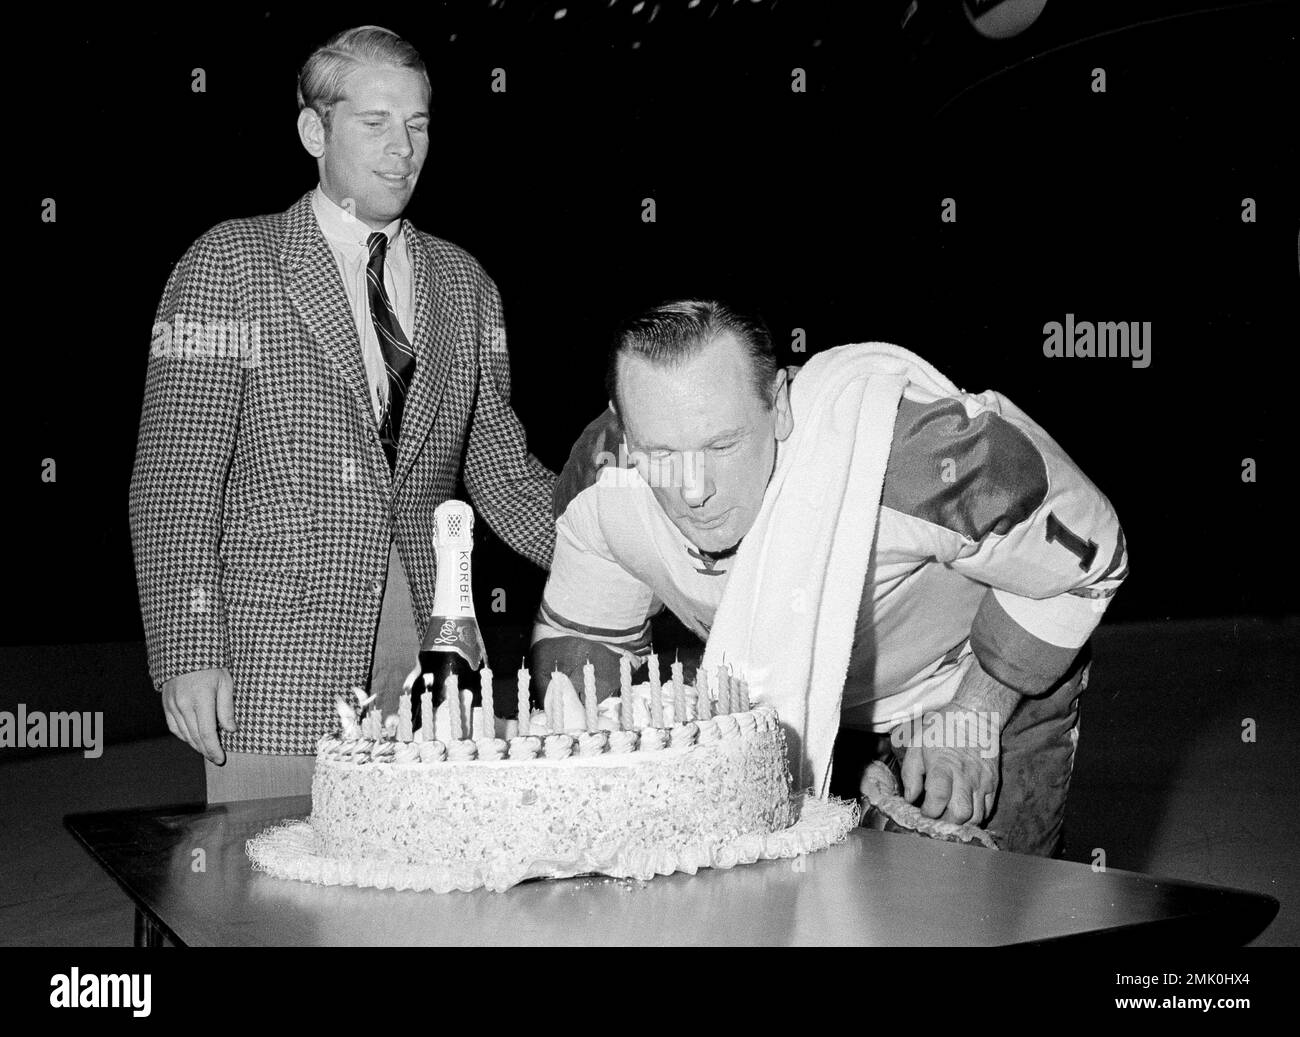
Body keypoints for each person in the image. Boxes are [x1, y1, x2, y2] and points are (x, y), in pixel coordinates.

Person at [130, 26, 556, 803]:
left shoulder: (467, 285)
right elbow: (174, 481)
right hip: (274, 662)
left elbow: (504, 476)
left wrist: (631, 546)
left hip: (436, 656)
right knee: (273, 908)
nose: (404, 148)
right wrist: (188, 648)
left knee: (428, 898)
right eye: (375, 123)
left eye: (419, 124)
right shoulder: (230, 262)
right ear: (312, 130)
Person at [533, 300, 1128, 856]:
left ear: (780, 403)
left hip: (969, 688)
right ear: (623, 428)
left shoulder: (925, 458)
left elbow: (1093, 554)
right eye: (661, 452)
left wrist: (974, 715)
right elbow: (587, 652)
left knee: (981, 922)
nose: (695, 491)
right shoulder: (601, 480)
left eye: (723, 444)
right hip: (803, 708)